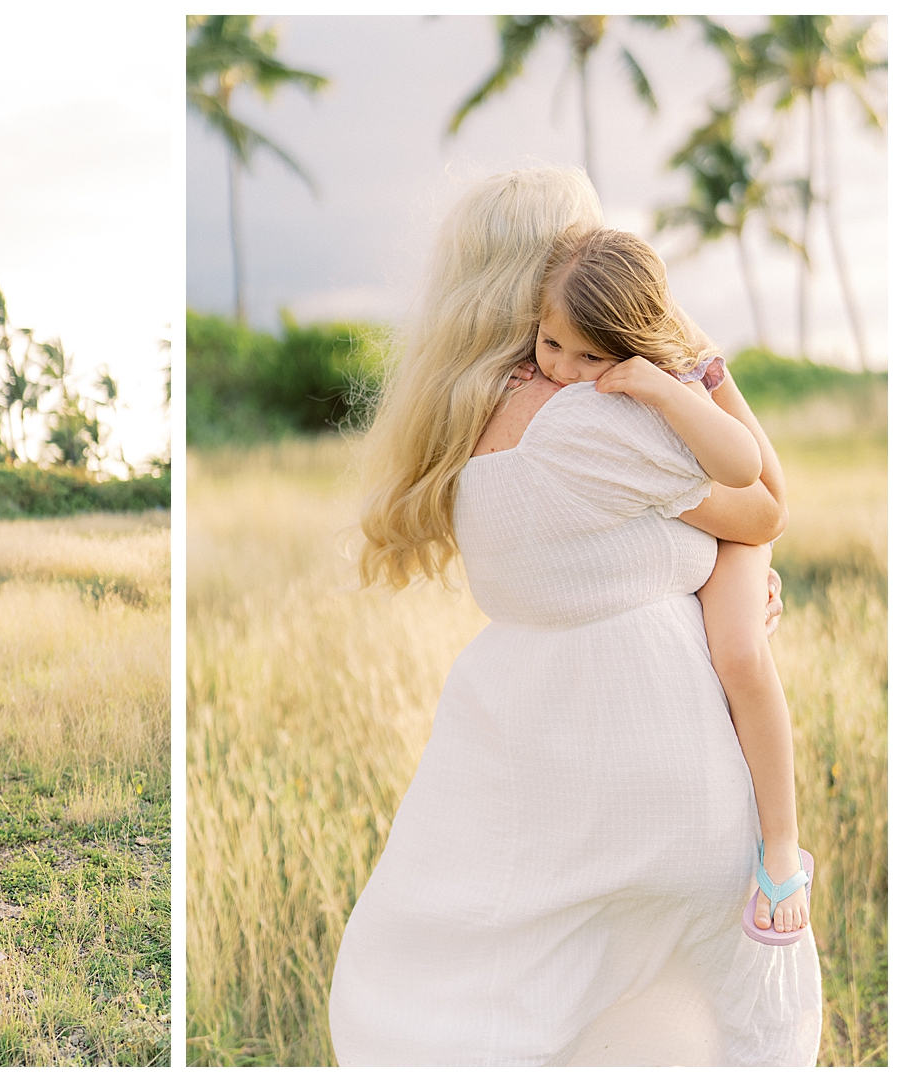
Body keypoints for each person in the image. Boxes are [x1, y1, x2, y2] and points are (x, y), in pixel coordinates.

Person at [328, 166, 821, 1065]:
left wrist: (705, 574)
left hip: (538, 755)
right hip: (654, 763)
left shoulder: (471, 419)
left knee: (546, 1003)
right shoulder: (589, 419)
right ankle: (785, 855)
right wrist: (702, 373)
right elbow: (765, 509)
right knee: (689, 1021)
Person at [531, 228, 810, 942]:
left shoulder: (659, 378)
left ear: (629, 345)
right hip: (688, 532)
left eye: (589, 355)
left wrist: (666, 388)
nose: (563, 367)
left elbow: (743, 468)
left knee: (740, 657)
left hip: (734, 531)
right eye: (549, 343)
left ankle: (781, 845)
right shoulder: (557, 387)